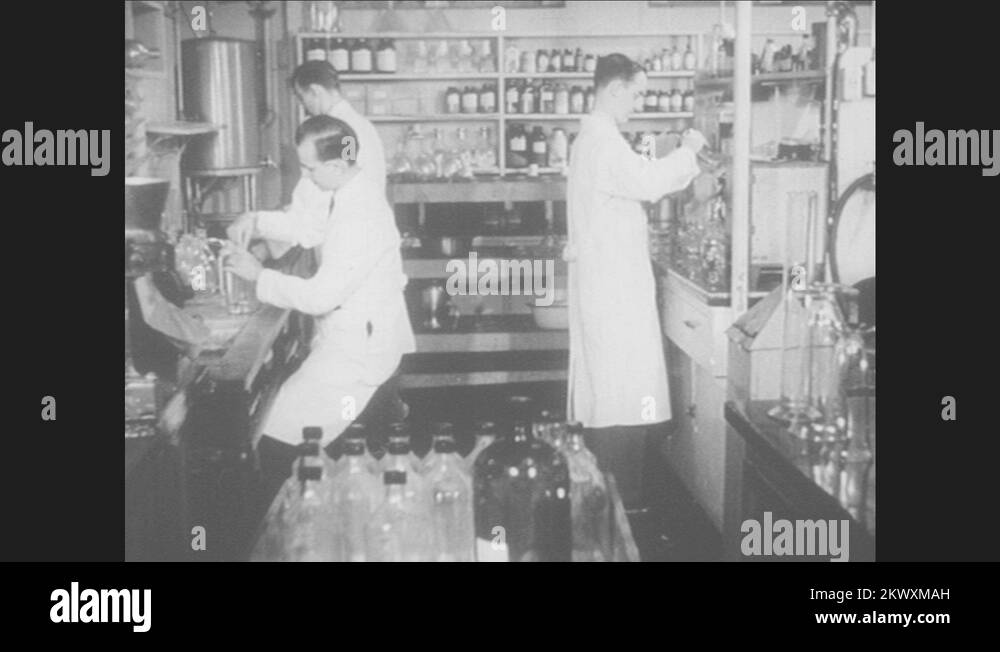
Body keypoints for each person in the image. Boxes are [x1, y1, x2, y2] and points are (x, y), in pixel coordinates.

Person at [226, 116, 415, 485]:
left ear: (335, 164)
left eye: (310, 168)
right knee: (278, 425)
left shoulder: (360, 215)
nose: (307, 176)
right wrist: (255, 220)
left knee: (277, 434)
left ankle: (282, 520)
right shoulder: (346, 192)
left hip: (357, 352)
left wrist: (257, 275)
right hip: (350, 336)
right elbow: (309, 228)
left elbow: (319, 296)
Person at [565, 53, 707, 508]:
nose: (640, 102)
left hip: (609, 290)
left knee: (615, 397)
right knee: (619, 401)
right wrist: (690, 149)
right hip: (613, 297)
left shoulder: (597, 139)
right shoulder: (603, 143)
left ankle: (613, 505)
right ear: (613, 89)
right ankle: (620, 513)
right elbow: (649, 183)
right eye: (638, 92)